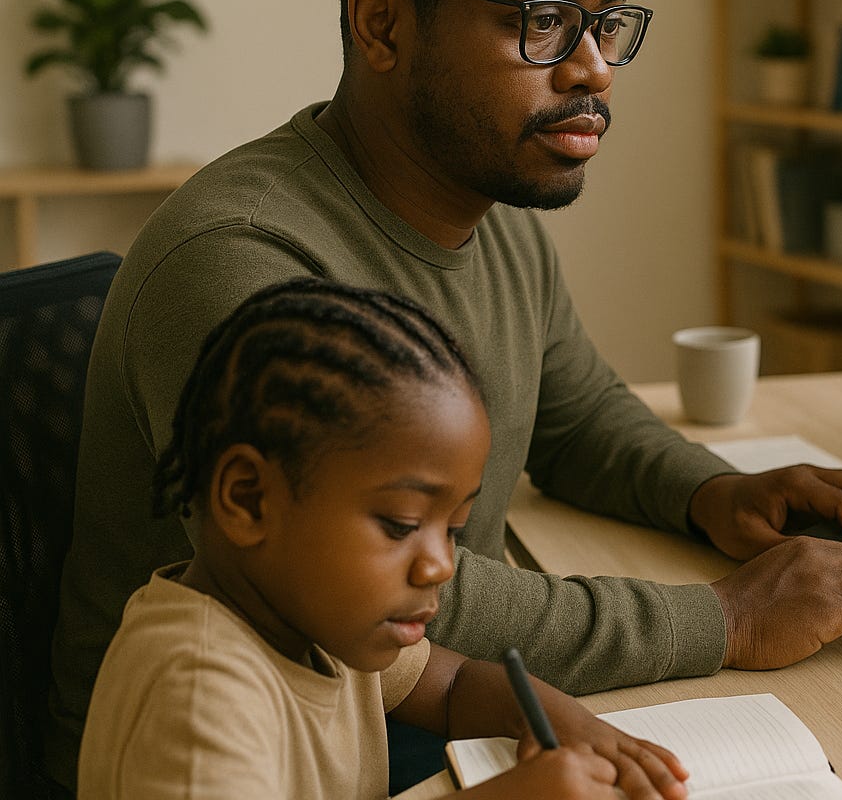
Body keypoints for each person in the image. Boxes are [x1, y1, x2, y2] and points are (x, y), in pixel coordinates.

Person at [47, 0, 842, 792]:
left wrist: (713, 493)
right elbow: (419, 592)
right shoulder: (241, 264)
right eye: (542, 20)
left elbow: (574, 413)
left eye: (605, 23)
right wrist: (721, 620)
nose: (593, 66)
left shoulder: (492, 206)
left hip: (382, 705)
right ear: (382, 22)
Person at [77, 278, 688, 799]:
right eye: (400, 525)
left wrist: (572, 723)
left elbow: (449, 687)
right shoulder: (198, 694)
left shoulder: (318, 619)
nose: (441, 566)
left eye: (450, 530)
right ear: (248, 498)